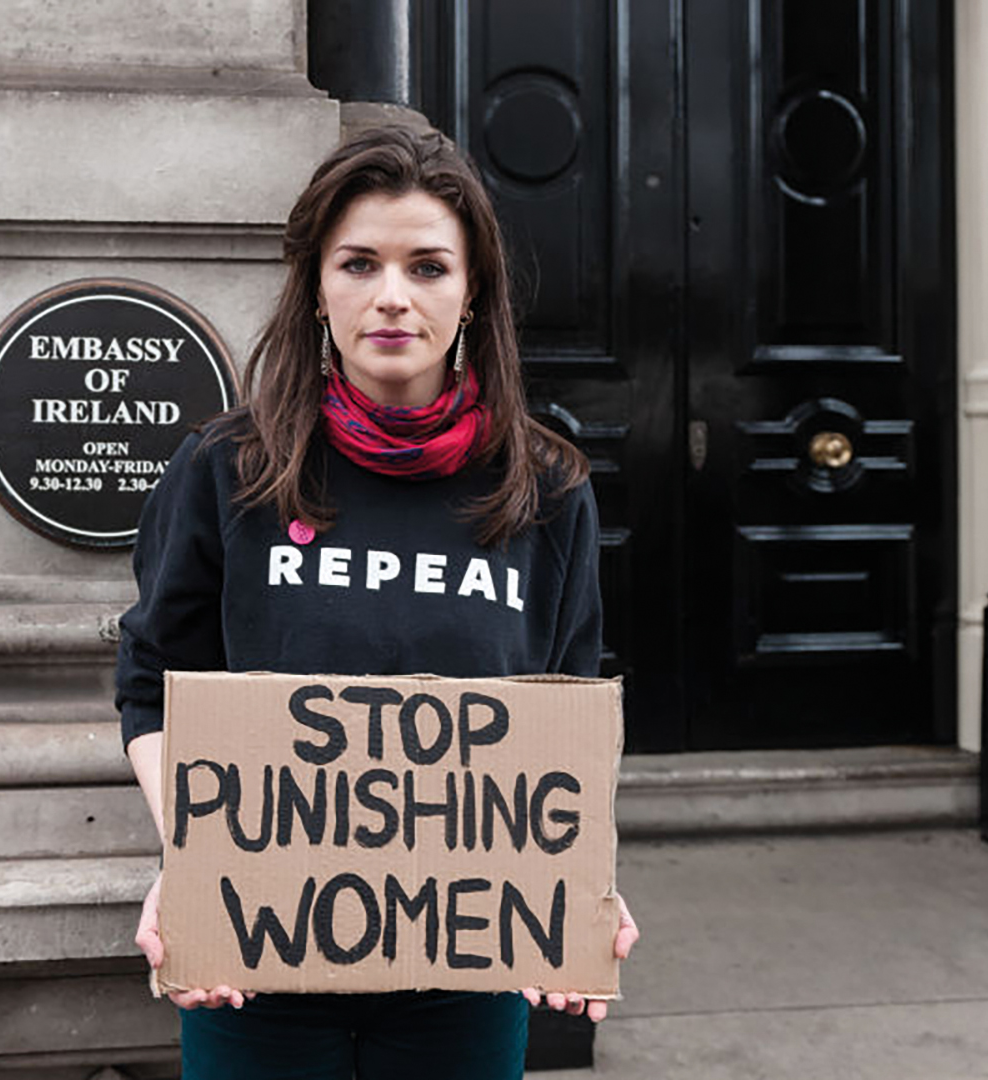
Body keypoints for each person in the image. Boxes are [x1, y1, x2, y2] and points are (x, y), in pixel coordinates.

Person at [115, 123, 640, 1080]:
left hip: (466, 977)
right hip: (252, 965)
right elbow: (152, 689)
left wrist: (579, 884)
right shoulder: (226, 473)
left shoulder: (547, 490)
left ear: (471, 290)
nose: (393, 296)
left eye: (428, 266)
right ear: (317, 284)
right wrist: (197, 856)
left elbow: (567, 716)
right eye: (359, 262)